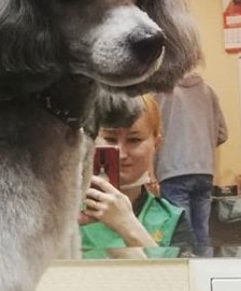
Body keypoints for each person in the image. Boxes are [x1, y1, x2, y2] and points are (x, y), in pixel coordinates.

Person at [79, 94, 195, 255]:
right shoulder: (68, 214)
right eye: (110, 139)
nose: (121, 153)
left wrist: (127, 226)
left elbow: (177, 280)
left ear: (156, 143)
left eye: (134, 140)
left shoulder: (172, 219)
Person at [154, 72, 227, 251]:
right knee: (203, 233)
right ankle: (205, 274)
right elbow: (222, 134)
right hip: (204, 172)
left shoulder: (159, 92)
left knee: (181, 237)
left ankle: (186, 277)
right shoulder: (209, 92)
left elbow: (149, 130)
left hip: (172, 171)